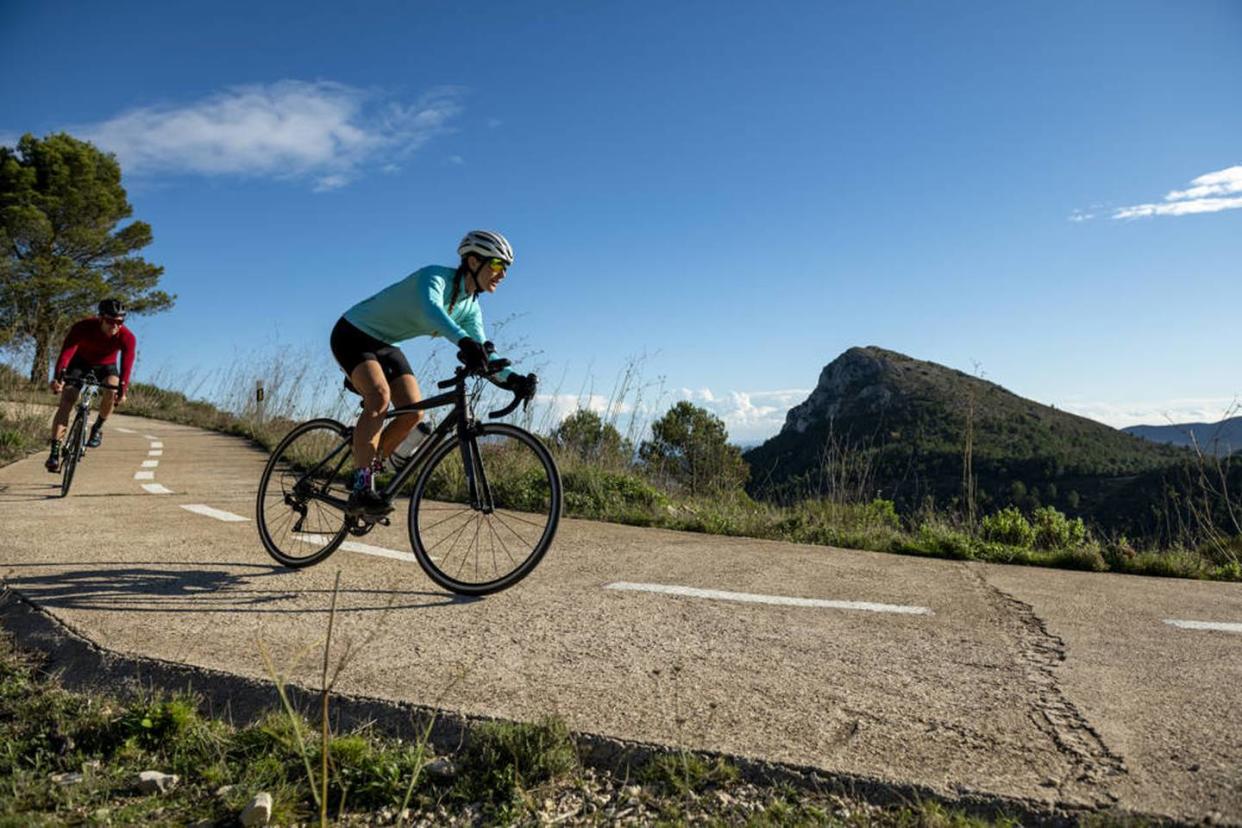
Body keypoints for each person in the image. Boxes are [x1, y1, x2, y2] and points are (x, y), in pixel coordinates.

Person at [330, 230, 538, 515]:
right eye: (498, 265)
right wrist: (463, 342)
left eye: (507, 269)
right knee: (379, 397)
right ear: (474, 261)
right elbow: (432, 312)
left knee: (413, 412)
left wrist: (513, 379)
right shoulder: (435, 278)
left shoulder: (470, 307)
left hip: (387, 344)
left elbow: (484, 351)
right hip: (353, 333)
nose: (502, 275)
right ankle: (361, 486)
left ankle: (369, 468)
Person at [45, 298, 136, 472]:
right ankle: (54, 453)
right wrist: (59, 378)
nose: (115, 326)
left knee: (112, 388)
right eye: (110, 321)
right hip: (80, 363)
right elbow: (66, 354)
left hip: (106, 366)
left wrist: (121, 391)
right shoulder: (83, 327)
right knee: (68, 399)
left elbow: (126, 366)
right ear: (101, 318)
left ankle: (97, 428)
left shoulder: (127, 337)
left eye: (120, 322)